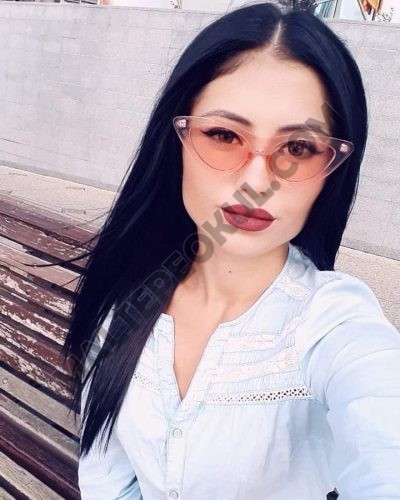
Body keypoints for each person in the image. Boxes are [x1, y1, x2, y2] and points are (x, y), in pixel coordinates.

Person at [62, 2, 400, 499]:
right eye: (224, 135)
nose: (257, 182)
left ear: (332, 168)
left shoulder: (335, 327)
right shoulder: (127, 299)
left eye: (298, 148)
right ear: (176, 140)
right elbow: (107, 477)